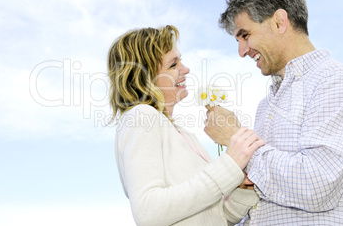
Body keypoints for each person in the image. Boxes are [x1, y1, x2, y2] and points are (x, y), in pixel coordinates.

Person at [205, 0, 343, 225]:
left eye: (245, 35)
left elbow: (318, 185)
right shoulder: (266, 105)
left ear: (279, 22)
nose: (241, 51)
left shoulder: (338, 81)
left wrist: (237, 140)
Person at [107, 25, 265, 225]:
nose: (186, 69)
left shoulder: (183, 133)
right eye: (173, 65)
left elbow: (219, 217)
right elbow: (148, 211)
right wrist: (229, 164)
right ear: (145, 78)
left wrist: (243, 189)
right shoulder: (141, 117)